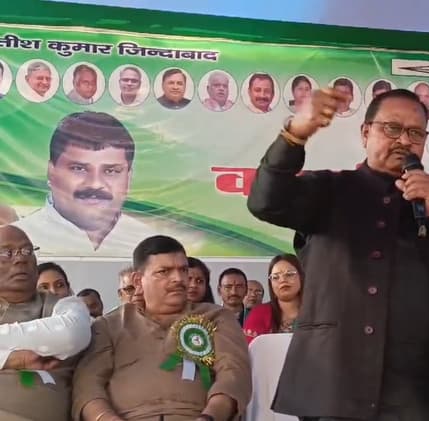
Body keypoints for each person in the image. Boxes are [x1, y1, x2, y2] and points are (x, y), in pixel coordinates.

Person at [248, 88, 429, 420]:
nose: (403, 140)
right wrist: (294, 136)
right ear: (365, 133)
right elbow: (264, 202)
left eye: (415, 133)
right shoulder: (329, 190)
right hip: (335, 385)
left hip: (419, 395)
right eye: (392, 128)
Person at [71, 235, 251, 421]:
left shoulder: (217, 317)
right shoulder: (109, 325)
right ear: (138, 280)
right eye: (164, 271)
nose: (178, 279)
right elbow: (87, 387)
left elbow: (234, 373)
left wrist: (209, 417)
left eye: (183, 270)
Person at [14, 111, 157, 255]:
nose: (95, 184)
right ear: (51, 171)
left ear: (128, 178)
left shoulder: (151, 243)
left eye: (111, 171)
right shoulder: (13, 244)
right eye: (79, 169)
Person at [0, 225, 91, 421]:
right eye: (7, 253)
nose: (21, 258)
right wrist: (10, 359)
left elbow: (70, 336)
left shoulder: (65, 305)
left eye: (27, 250)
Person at [244, 254, 304, 344]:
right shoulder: (259, 313)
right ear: (271, 284)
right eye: (275, 277)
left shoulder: (319, 312)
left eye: (289, 274)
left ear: (301, 277)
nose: (283, 280)